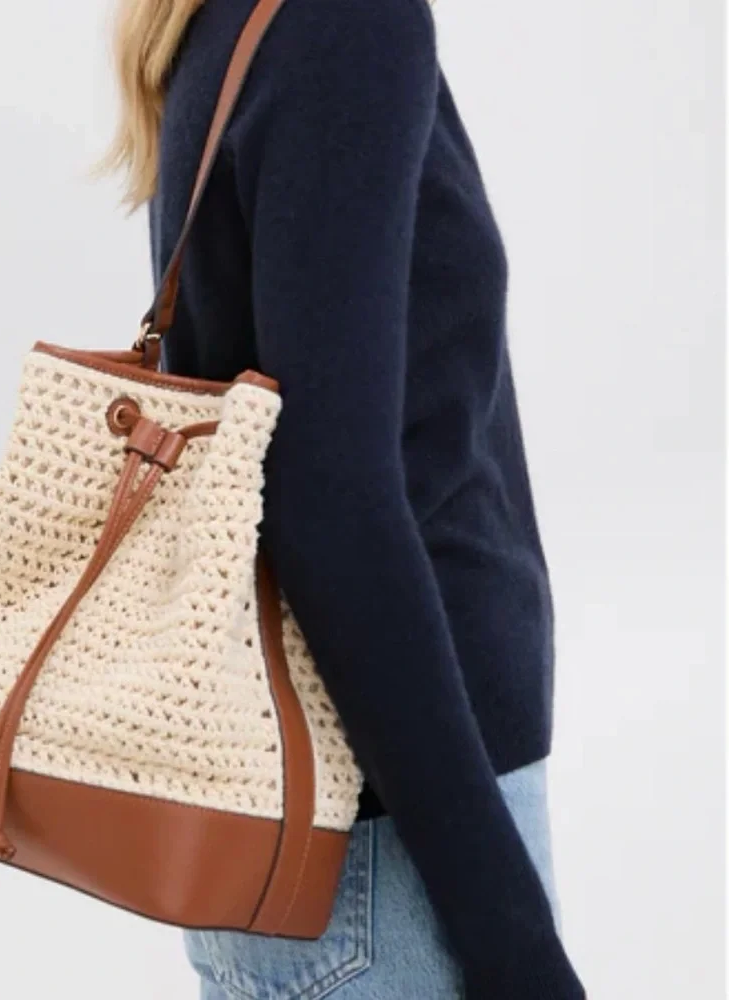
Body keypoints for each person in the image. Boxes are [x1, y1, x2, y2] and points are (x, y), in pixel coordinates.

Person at [104, 0, 585, 997]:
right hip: (393, 856)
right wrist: (512, 941)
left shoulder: (232, 20)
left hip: (306, 839)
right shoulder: (344, 22)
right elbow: (330, 507)